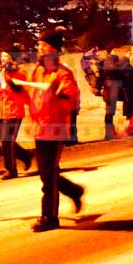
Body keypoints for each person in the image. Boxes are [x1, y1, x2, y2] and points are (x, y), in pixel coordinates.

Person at [27, 27, 84, 232]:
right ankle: (74, 190)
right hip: (39, 128)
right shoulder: (36, 71)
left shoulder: (63, 73)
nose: (39, 50)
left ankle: (50, 217)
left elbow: (72, 101)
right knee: (45, 172)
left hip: (55, 129)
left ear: (52, 50)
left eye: (43, 46)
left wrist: (57, 96)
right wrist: (13, 86)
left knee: (48, 174)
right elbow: (28, 93)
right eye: (38, 46)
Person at [0, 52, 34, 179]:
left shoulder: (18, 73)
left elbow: (17, 89)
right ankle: (26, 156)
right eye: (2, 56)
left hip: (13, 111)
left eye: (7, 56)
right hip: (0, 111)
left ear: (12, 58)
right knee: (7, 142)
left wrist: (6, 76)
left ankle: (11, 170)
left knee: (6, 141)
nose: (4, 59)